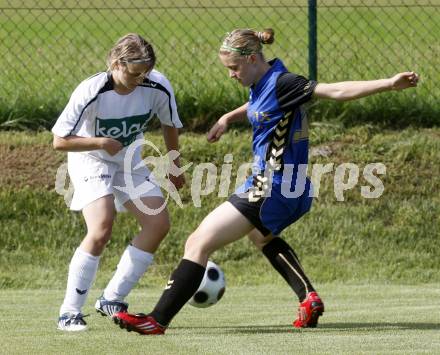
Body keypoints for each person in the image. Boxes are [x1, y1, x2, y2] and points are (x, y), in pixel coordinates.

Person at [112, 28, 419, 335]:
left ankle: (156, 320)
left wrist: (389, 84)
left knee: (198, 242)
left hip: (271, 186)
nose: (231, 75)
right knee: (261, 237)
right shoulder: (264, 81)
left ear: (254, 58)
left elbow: (335, 91)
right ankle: (308, 297)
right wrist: (229, 117)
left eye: (234, 68)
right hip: (285, 186)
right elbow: (261, 104)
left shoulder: (286, 83)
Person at [52, 33, 184, 331]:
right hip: (91, 157)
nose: (141, 79)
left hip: (129, 159)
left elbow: (169, 125)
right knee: (101, 227)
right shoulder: (92, 90)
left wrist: (175, 166)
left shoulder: (156, 84)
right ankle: (69, 312)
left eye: (146, 72)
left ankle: (112, 297)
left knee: (158, 223)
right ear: (116, 63)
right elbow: (59, 141)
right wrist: (99, 141)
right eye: (135, 73)